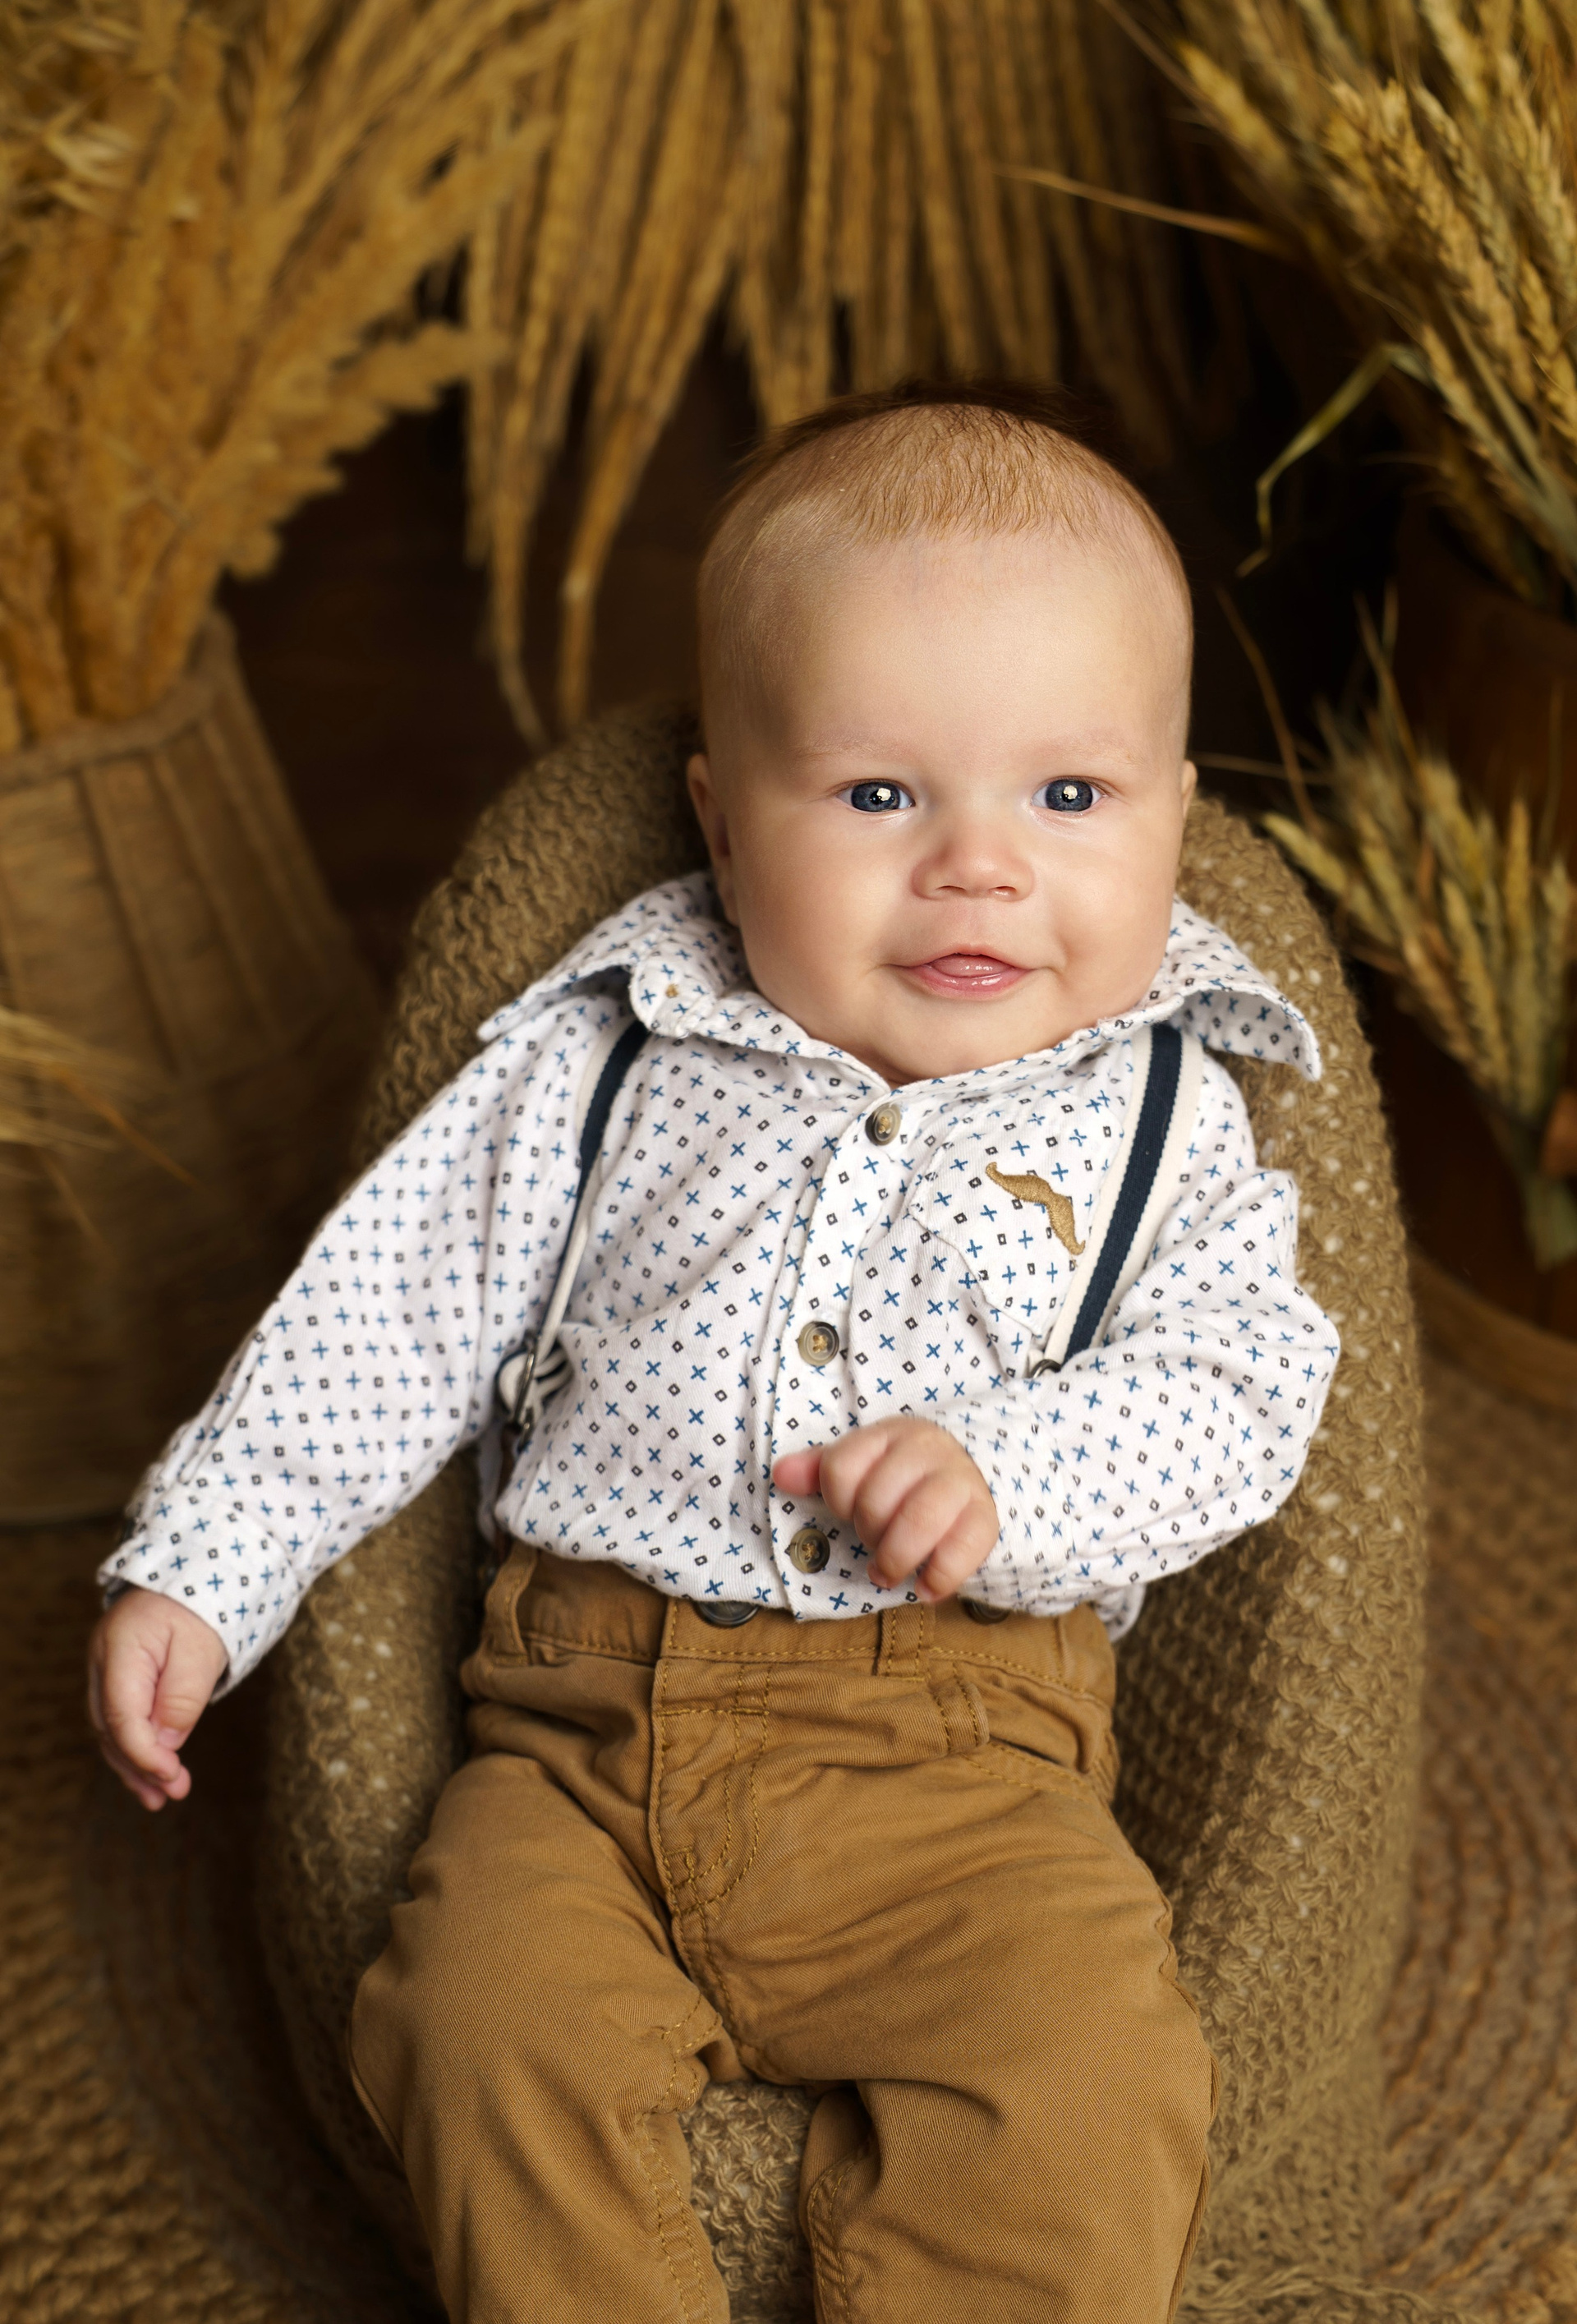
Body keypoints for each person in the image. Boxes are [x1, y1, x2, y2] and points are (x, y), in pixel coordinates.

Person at [87, 381, 1340, 2324]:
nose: (979, 866)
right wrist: (204, 1567)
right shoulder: (612, 1052)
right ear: (722, 821)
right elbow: (385, 1309)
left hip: (967, 1769)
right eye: (878, 795)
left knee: (1095, 2080)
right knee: (466, 2021)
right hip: (580, 1737)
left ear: (1177, 815)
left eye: (1070, 797)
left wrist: (1012, 1469)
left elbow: (1245, 1389)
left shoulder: (1169, 1111)